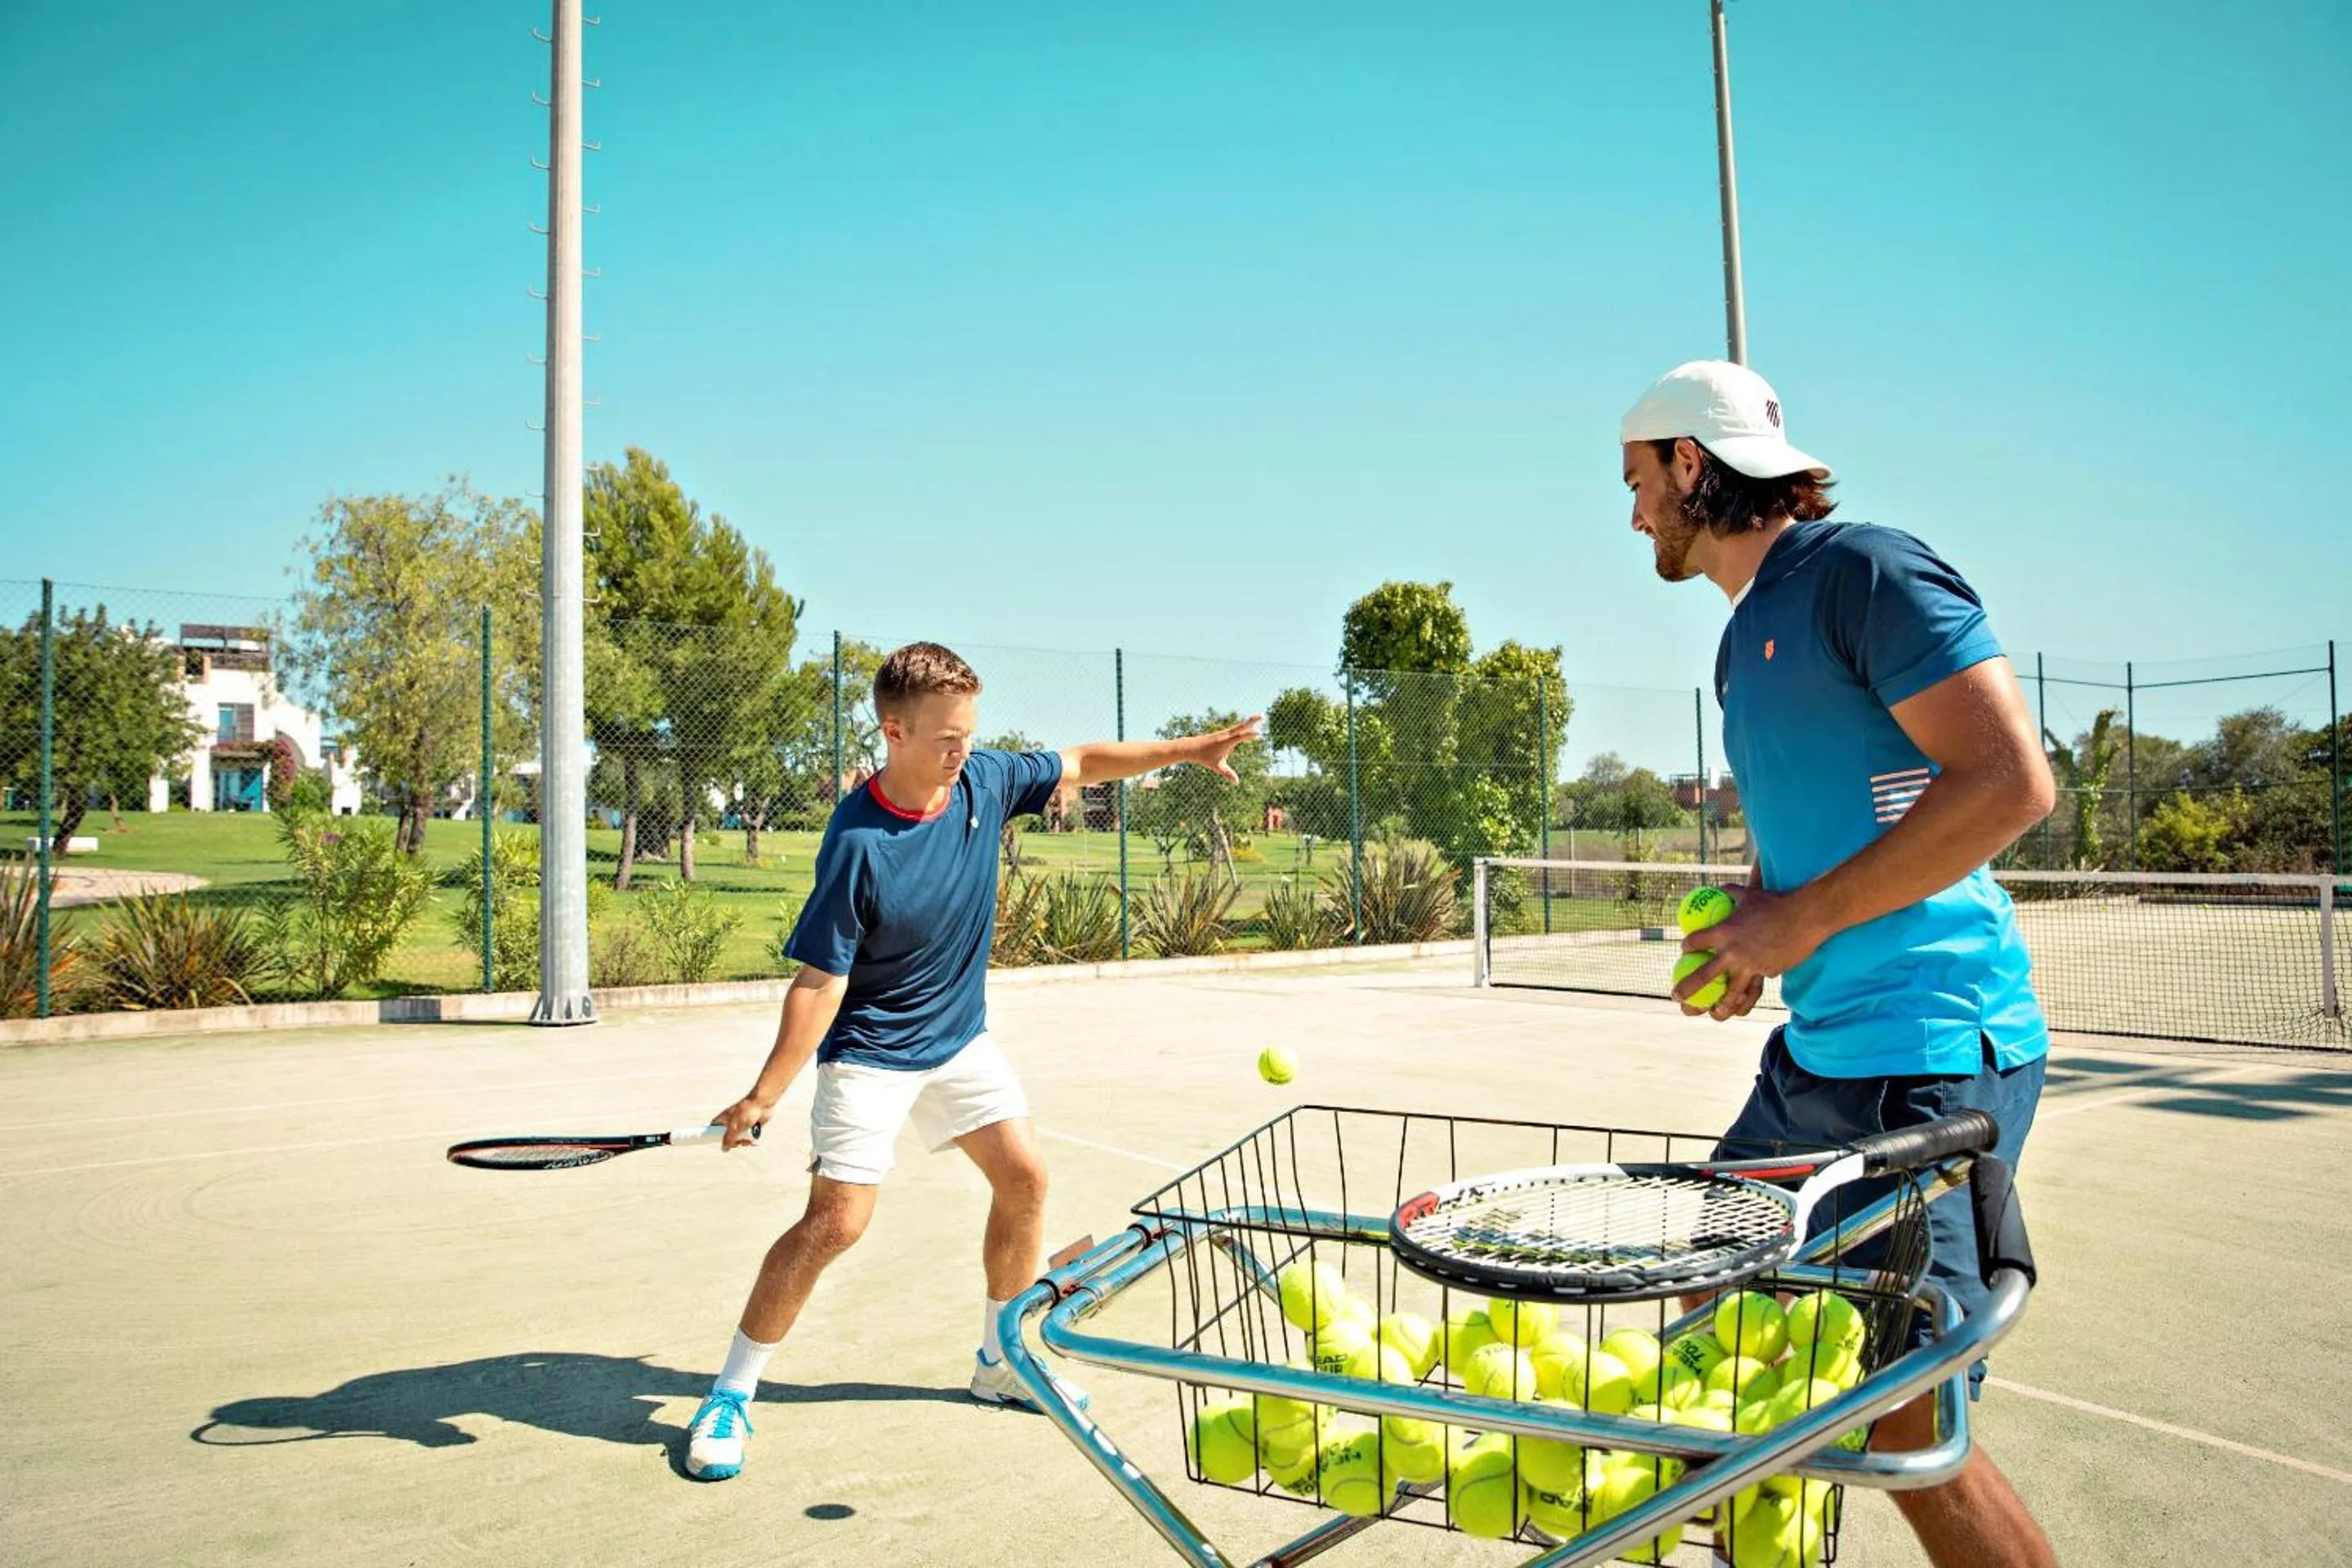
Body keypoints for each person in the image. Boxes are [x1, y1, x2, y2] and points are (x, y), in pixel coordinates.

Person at [1619, 360, 2058, 1568]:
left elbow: (2011, 782)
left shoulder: (1867, 573)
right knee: (1716, 1317)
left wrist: (1800, 921)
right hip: (1819, 1055)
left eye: (1639, 480)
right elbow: (1819, 837)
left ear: (1692, 464)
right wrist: (1757, 925)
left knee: (1903, 1407)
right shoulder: (1738, 645)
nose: (1635, 512)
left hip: (1935, 1054)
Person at [682, 639, 1261, 1482]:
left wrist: (1192, 748)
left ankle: (999, 1363)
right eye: (947, 737)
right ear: (894, 732)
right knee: (836, 1224)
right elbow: (820, 980)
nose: (963, 750)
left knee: (1024, 1179)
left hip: (957, 1038)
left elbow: (1083, 762)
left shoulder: (983, 782)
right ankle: (732, 1392)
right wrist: (763, 1094)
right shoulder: (859, 841)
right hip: (874, 1051)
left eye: (970, 733)